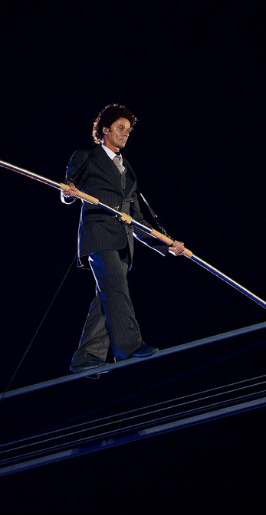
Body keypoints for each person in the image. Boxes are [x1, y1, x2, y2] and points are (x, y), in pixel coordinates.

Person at [61, 103, 186, 375]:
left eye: (129, 131)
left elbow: (137, 218)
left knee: (107, 296)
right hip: (99, 236)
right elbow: (68, 189)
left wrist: (168, 245)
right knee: (117, 289)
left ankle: (87, 356)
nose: (125, 134)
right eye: (120, 128)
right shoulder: (87, 157)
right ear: (105, 129)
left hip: (123, 243)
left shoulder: (127, 168)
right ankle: (128, 346)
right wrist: (69, 193)